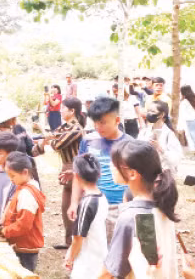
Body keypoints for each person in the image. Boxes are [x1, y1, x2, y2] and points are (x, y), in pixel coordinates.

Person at [100, 140, 179, 278]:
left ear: (132, 174)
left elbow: (109, 272)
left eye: (114, 164)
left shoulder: (131, 217)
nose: (110, 166)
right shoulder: (162, 203)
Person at [68, 97, 133, 236]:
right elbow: (78, 174)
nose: (98, 127)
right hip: (94, 204)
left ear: (117, 120)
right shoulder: (88, 140)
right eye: (95, 122)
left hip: (121, 207)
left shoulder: (129, 144)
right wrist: (74, 203)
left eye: (103, 123)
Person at [34, 96, 85, 250]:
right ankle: (69, 241)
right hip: (66, 167)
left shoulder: (76, 129)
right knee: (65, 207)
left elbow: (57, 144)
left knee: (77, 206)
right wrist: (47, 139)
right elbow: (50, 140)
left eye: (63, 108)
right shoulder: (64, 128)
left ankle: (79, 240)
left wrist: (44, 134)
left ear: (72, 111)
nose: (60, 111)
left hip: (75, 168)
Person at [64, 153, 108, 278]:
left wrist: (70, 257)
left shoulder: (87, 203)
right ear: (98, 175)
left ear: (76, 176)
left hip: (88, 261)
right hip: (100, 253)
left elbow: (78, 237)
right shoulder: (101, 197)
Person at [0, 151, 46, 272]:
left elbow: (23, 226)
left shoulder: (27, 194)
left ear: (25, 172)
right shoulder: (25, 185)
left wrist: (5, 231)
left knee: (24, 273)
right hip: (22, 244)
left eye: (12, 176)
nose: (11, 180)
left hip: (25, 247)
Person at [138, 100, 183, 175]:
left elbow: (176, 159)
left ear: (161, 115)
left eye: (152, 111)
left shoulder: (169, 134)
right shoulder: (144, 132)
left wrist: (160, 148)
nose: (149, 113)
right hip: (146, 173)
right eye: (148, 111)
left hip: (163, 175)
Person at [180, 84, 195, 161]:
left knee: (193, 139)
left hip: (189, 122)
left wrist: (181, 126)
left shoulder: (184, 102)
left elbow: (182, 114)